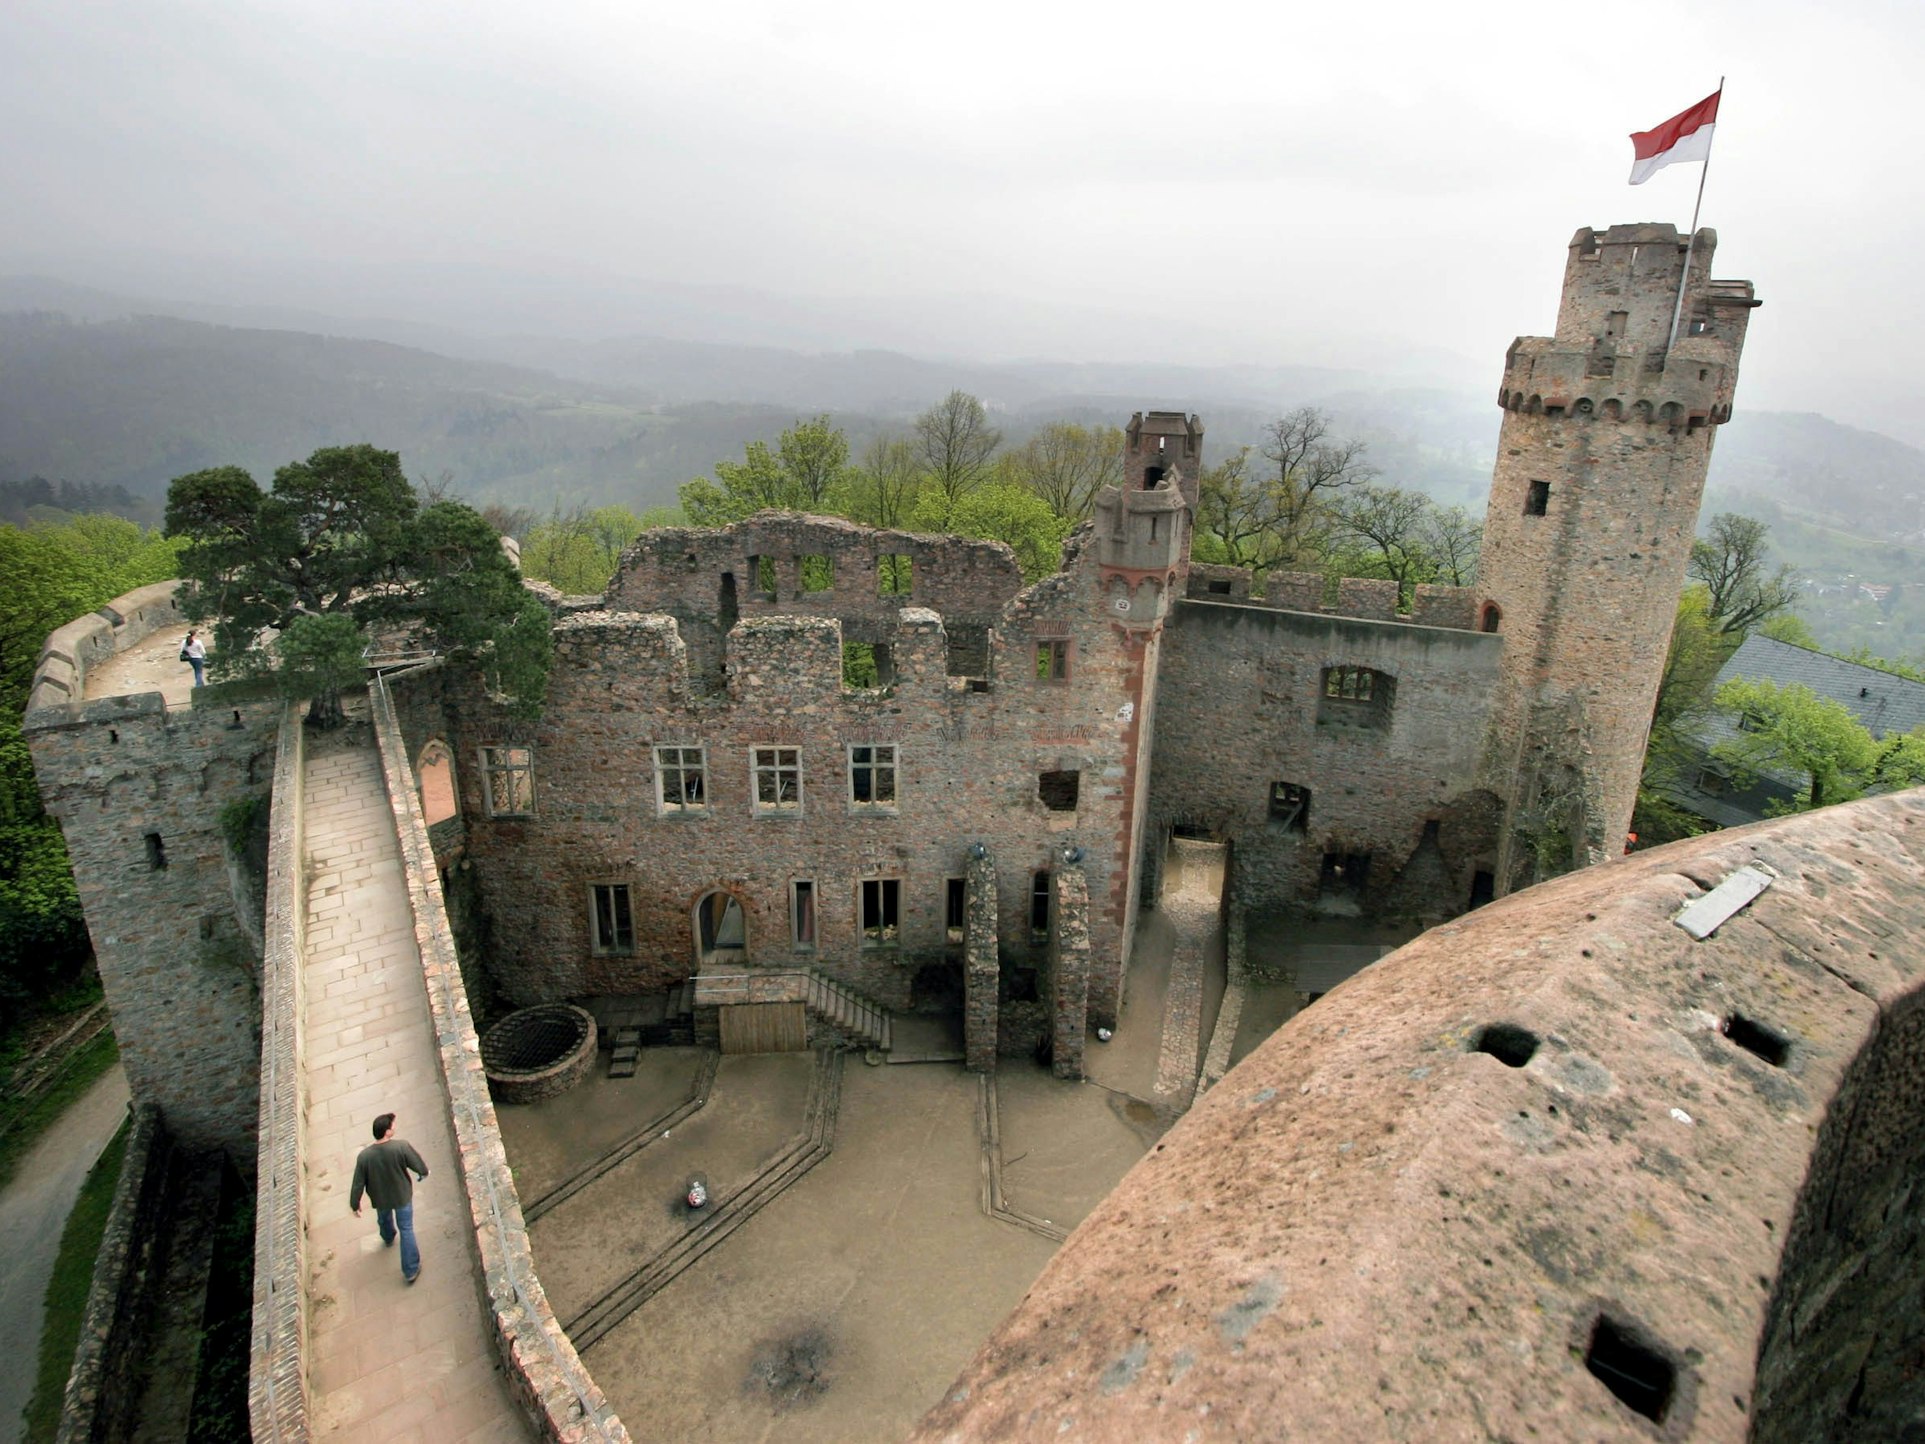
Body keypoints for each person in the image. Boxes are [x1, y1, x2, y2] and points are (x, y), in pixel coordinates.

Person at [349, 1111, 430, 1284]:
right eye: (392, 1126)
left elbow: (358, 1183)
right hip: (401, 1195)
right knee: (406, 1229)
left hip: (380, 1197)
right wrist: (423, 1172)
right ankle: (410, 1269)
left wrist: (355, 1203)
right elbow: (416, 1162)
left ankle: (387, 1236)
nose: (395, 1127)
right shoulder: (401, 1146)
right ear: (387, 1132)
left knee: (383, 1217)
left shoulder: (364, 1157)